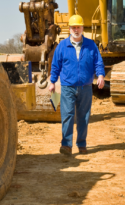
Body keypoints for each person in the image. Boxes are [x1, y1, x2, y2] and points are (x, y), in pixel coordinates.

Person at [49, 14, 105, 155]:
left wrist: (101, 75)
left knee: (83, 117)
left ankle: (81, 144)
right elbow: (55, 65)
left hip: (85, 87)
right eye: (73, 27)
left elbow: (98, 62)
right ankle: (66, 145)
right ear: (69, 29)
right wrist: (52, 81)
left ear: (82, 28)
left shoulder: (91, 45)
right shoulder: (62, 46)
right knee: (67, 115)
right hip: (68, 87)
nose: (76, 30)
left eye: (78, 27)